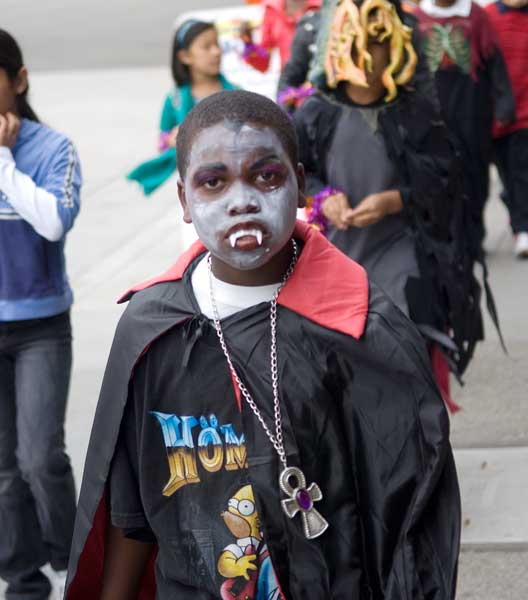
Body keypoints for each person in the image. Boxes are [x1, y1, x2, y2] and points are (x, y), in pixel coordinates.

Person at [65, 90, 460, 599]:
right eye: (214, 182)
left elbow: (410, 523)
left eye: (265, 176)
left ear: (299, 186)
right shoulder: (152, 327)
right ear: (185, 201)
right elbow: (129, 512)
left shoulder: (361, 331)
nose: (242, 200)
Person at [293, 0, 486, 409]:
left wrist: (397, 199)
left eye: (378, 44)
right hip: (340, 257)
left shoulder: (414, 112)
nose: (367, 56)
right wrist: (322, 198)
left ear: (397, 46)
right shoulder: (315, 114)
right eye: (357, 43)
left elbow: (446, 178)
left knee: (404, 336)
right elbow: (295, 173)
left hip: (404, 250)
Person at [0, 29, 82, 600]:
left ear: (19, 81)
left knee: (40, 458)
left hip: (40, 328)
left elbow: (53, 221)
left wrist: (3, 164)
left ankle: (72, 552)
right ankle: (22, 581)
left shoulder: (52, 149)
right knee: (2, 470)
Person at [412, 0, 515, 247]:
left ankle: (474, 233)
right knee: (438, 173)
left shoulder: (476, 16)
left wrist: (504, 103)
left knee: (475, 173)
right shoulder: (416, 19)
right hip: (431, 112)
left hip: (472, 109)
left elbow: (494, 61)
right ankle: (448, 233)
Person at [127, 19, 237, 195]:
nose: (216, 52)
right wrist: (171, 140)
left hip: (235, 177)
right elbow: (163, 142)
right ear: (185, 56)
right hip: (196, 184)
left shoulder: (236, 95)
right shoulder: (175, 100)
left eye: (217, 44)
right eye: (206, 47)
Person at [277, 0, 438, 113]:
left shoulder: (403, 26)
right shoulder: (312, 29)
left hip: (397, 123)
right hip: (328, 132)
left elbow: (423, 83)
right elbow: (289, 82)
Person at [486, 0, 528, 258]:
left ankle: (523, 228)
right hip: (494, 117)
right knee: (508, 175)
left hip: (525, 116)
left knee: (522, 173)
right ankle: (516, 214)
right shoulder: (488, 17)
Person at [239, 0, 322, 73]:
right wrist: (249, 44)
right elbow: (264, 62)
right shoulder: (272, 9)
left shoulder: (323, 5)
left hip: (322, 81)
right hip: (291, 84)